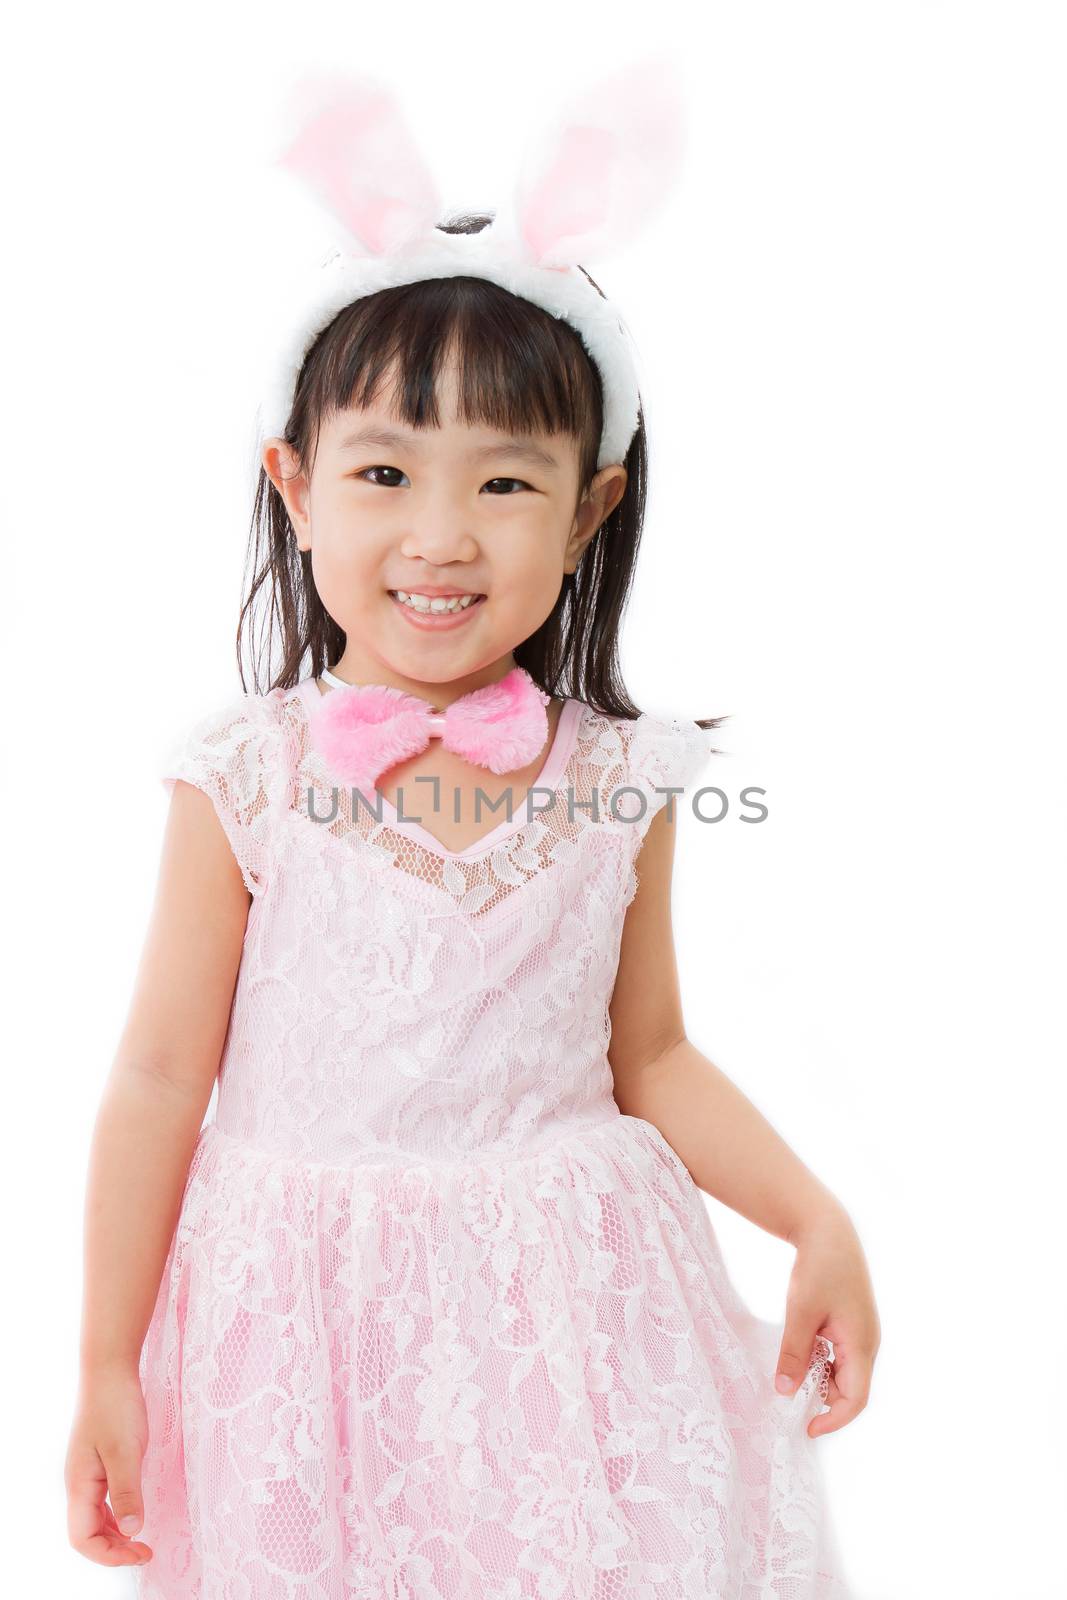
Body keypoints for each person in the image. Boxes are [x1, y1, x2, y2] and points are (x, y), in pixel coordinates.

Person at [65, 69, 877, 1598]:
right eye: (384, 473)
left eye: (505, 483)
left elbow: (654, 1059)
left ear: (587, 514)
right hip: (307, 1342)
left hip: (573, 1330)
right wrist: (106, 1360)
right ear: (294, 489)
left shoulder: (618, 779)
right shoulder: (241, 778)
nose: (440, 535)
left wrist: (811, 1212)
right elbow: (164, 1073)